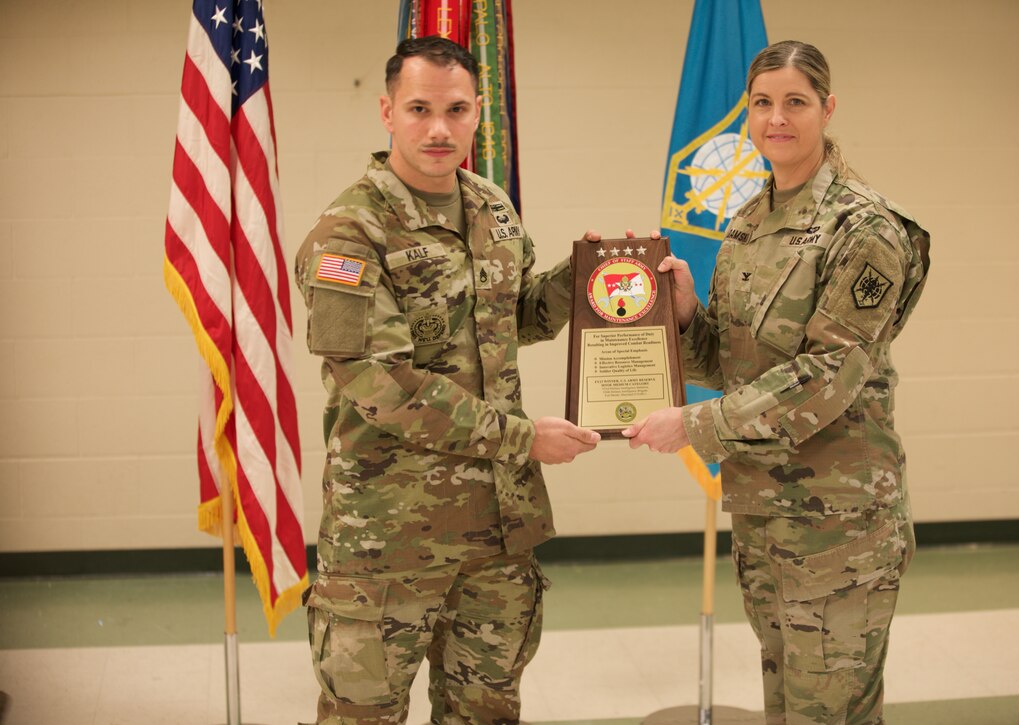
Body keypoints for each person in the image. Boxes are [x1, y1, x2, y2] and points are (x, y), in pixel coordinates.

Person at [295, 36, 609, 724]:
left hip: (496, 537)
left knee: (485, 715)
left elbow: (513, 315)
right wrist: (522, 438)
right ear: (387, 111)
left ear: (477, 116)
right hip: (387, 543)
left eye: (456, 109)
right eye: (419, 108)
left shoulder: (492, 207)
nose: (438, 128)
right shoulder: (349, 232)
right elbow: (380, 385)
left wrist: (591, 278)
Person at [624, 40, 931, 724]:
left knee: (832, 714)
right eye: (762, 103)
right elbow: (736, 363)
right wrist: (681, 317)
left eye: (795, 101)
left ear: (827, 107)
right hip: (766, 519)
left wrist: (695, 426)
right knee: (787, 710)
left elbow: (828, 374)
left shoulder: (864, 227)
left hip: (840, 529)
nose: (777, 118)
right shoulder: (748, 224)